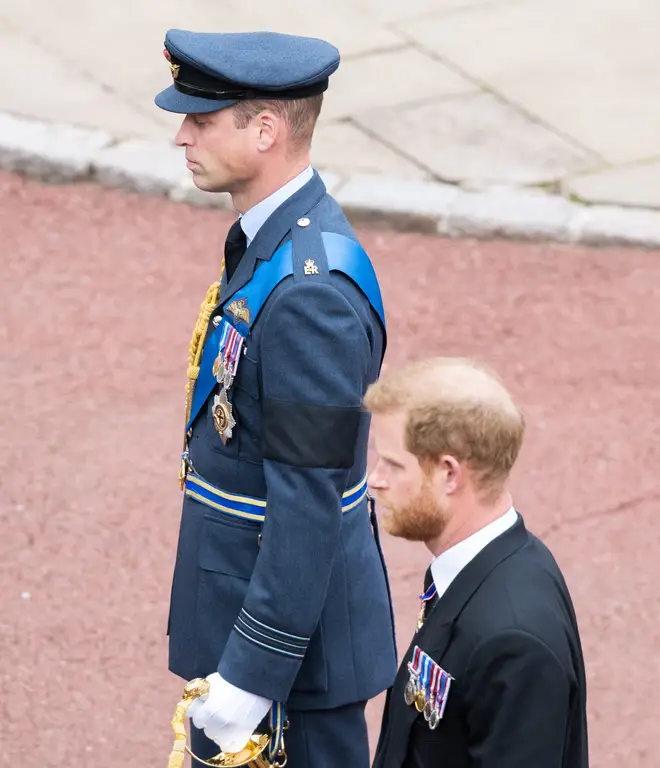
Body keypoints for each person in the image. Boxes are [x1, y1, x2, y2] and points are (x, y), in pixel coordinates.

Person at [153, 29, 397, 768]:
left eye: (201, 120)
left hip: (293, 666)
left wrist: (252, 675)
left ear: (265, 131)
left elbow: (308, 498)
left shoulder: (309, 293)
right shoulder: (273, 243)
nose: (181, 136)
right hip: (263, 629)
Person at [365, 357, 589, 768]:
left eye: (393, 464)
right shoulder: (485, 565)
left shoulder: (514, 641)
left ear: (449, 474)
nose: (375, 479)